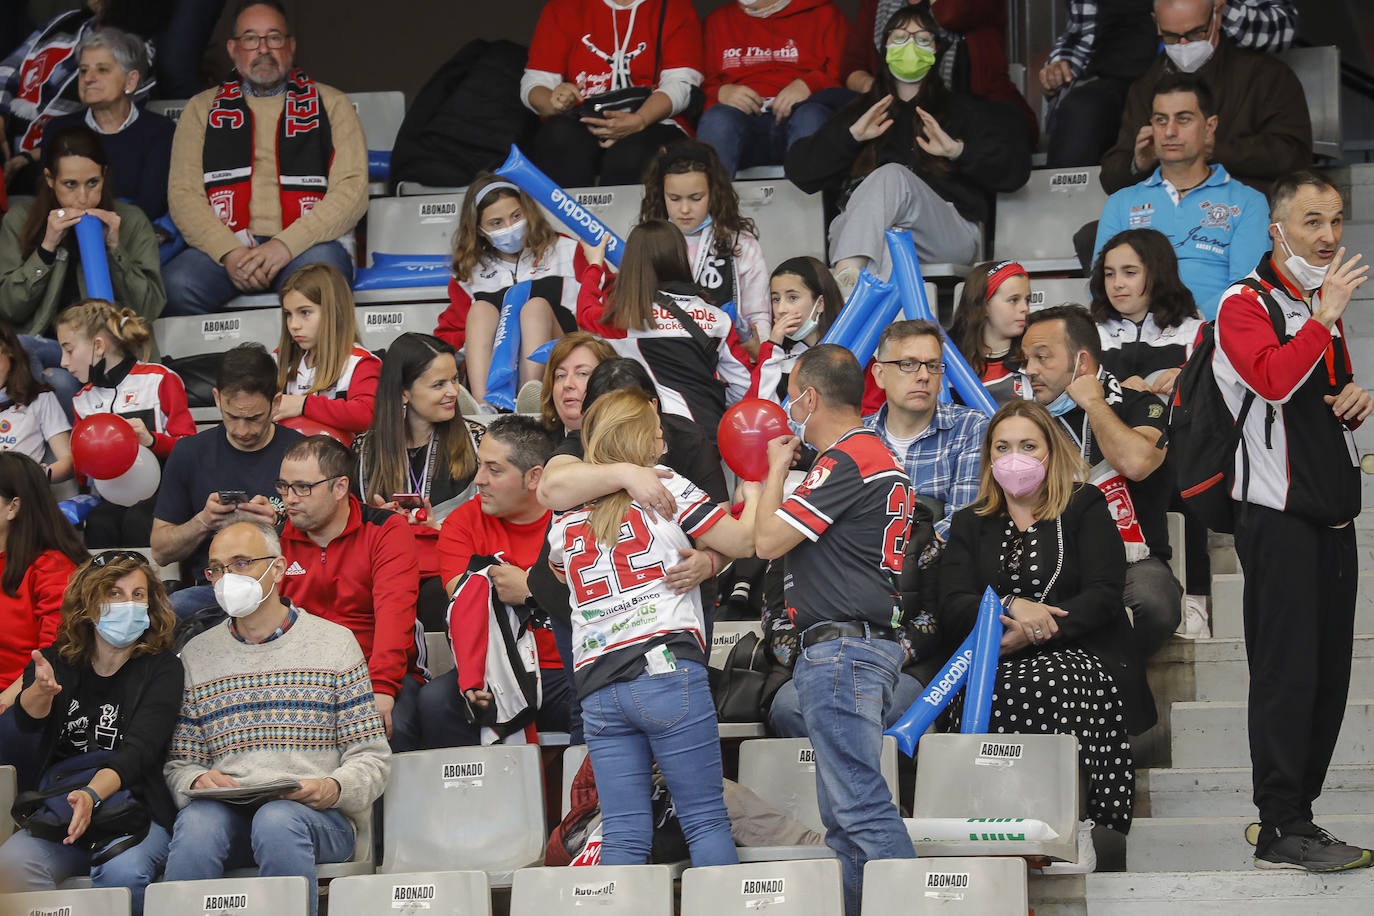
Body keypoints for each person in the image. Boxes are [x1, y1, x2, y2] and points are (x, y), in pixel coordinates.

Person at [1213, 172, 1373, 871]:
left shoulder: (1316, 308)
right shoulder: (1241, 303)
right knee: (1286, 675)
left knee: (1330, 678)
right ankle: (1279, 821)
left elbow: (1315, 394)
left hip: (1333, 517)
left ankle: (1298, 818)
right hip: (1276, 518)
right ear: (1277, 228)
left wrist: (1353, 397)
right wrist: (1322, 314)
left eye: (1336, 220)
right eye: (1312, 221)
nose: (1328, 236)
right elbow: (1272, 379)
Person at [548, 388, 761, 866]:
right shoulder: (667, 485)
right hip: (665, 669)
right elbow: (745, 542)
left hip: (598, 684)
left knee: (622, 832)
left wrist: (705, 560)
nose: (663, 444)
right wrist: (756, 492)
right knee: (704, 817)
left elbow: (560, 573)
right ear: (637, 439)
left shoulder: (563, 517)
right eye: (656, 434)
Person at [939, 400, 1153, 846]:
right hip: (994, 654)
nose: (1013, 456)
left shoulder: (1084, 504)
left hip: (1081, 650)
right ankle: (994, 829)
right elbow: (953, 602)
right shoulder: (969, 522)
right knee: (988, 692)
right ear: (989, 457)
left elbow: (1103, 594)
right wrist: (1014, 605)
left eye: (1027, 445)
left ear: (1050, 453)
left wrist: (1039, 629)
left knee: (1050, 682)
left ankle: (1071, 831)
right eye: (1002, 446)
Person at [752, 344, 917, 916]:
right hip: (859, 643)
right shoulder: (874, 453)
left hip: (843, 647)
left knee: (862, 809)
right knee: (843, 821)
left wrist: (775, 469)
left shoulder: (848, 456)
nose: (787, 406)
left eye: (791, 393)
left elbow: (767, 541)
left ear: (810, 396)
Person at [163, 521, 391, 916]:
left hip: (318, 818)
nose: (225, 579)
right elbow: (181, 762)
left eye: (240, 563)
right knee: (197, 825)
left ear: (280, 568)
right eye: (216, 568)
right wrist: (195, 779)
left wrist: (332, 787)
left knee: (276, 820)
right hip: (227, 816)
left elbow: (371, 756)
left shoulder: (335, 644)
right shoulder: (197, 655)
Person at [786, 4, 1030, 296]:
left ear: (936, 49)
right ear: (884, 47)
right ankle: (882, 334)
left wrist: (958, 151)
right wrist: (851, 137)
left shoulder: (962, 109)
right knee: (891, 243)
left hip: (945, 234)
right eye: (900, 37)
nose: (911, 45)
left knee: (891, 177)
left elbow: (1016, 172)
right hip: (873, 236)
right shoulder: (861, 112)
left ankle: (846, 288)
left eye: (922, 38)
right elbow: (800, 172)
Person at [0, 550, 181, 914]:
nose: (127, 603)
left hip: (136, 810)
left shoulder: (162, 667)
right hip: (61, 812)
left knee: (122, 873)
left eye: (137, 594)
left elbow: (142, 749)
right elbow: (13, 756)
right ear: (89, 602)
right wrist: (35, 702)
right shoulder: (55, 663)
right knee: (11, 866)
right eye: (113, 593)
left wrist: (92, 794)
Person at [161, 0, 366, 316]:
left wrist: (284, 246)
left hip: (305, 247)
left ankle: (310, 366)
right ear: (233, 48)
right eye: (250, 39)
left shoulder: (332, 104)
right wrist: (229, 253)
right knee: (176, 285)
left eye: (274, 37)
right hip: (228, 249)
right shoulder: (201, 109)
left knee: (324, 278)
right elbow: (183, 196)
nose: (263, 49)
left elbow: (351, 192)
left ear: (291, 46)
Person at [1021, 305, 1182, 660]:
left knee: (1157, 605)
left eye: (1042, 358)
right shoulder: (1026, 421)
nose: (1030, 370)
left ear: (1082, 363)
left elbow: (1136, 463)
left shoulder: (1139, 403)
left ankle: (1111, 674)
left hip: (1133, 562)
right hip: (1052, 560)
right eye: (1027, 358)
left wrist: (1094, 403)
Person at [421, 416, 569, 748]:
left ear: (534, 478)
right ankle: (469, 799)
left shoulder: (570, 516)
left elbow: (593, 602)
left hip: (563, 668)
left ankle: (586, 798)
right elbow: (467, 606)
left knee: (607, 699)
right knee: (435, 702)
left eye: (494, 470)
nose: (479, 480)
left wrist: (530, 590)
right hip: (494, 669)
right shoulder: (464, 522)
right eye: (479, 466)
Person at [1089, 228, 1208, 636]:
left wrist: (1183, 379)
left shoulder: (1195, 330)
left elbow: (1212, 395)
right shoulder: (1093, 330)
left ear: (1156, 274)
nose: (1117, 283)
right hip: (1107, 445)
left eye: (1129, 272)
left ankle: (1196, 598)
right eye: (1109, 273)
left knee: (1186, 467)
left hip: (1171, 444)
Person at [276, 435, 422, 749]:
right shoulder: (276, 539)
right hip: (301, 679)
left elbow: (394, 615)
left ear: (340, 487)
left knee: (400, 725)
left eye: (303, 487)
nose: (290, 498)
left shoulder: (385, 529)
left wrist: (381, 688)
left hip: (376, 671)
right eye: (284, 487)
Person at [1042, 0, 1298, 168]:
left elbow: (1283, 29)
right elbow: (1080, 36)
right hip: (1128, 84)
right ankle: (1064, 221)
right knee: (1080, 113)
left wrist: (1216, 11)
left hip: (1218, 77)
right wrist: (1061, 65)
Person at [1093, 75, 1269, 319]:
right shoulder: (1121, 203)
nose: (1169, 131)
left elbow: (1248, 289)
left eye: (1183, 119)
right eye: (1160, 120)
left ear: (1210, 126)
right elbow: (1101, 288)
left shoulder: (1249, 202)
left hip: (1216, 338)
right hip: (1136, 339)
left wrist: (1186, 324)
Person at [150, 343, 303, 619]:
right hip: (214, 590)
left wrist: (279, 524)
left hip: (288, 584)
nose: (243, 430)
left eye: (255, 418)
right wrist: (204, 521)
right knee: (169, 612)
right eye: (233, 417)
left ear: (276, 403)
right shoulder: (189, 453)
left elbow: (330, 539)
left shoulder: (301, 453)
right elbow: (160, 551)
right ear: (217, 399)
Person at [1099, 0, 1310, 195]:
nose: (1183, 44)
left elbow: (1293, 155)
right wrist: (1137, 163)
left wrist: (1213, 149)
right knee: (1090, 235)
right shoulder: (1146, 87)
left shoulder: (1266, 75)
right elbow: (1110, 177)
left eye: (1195, 34)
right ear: (1156, 23)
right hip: (1165, 210)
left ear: (1217, 16)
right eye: (1170, 36)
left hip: (1239, 205)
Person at [352, 333, 478, 633]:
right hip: (388, 572)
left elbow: (499, 526)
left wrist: (443, 531)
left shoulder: (477, 440)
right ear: (403, 392)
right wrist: (383, 524)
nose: (453, 392)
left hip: (454, 568)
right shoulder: (365, 450)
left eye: (454, 380)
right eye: (439, 384)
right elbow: (352, 533)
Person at [576, 221, 750, 434]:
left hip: (660, 440)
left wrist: (594, 265)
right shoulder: (717, 318)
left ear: (632, 263)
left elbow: (585, 316)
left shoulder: (632, 318)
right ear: (679, 256)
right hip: (713, 436)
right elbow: (743, 385)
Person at [0, 125, 166, 344]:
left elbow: (148, 309)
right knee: (56, 378)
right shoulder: (19, 220)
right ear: (50, 179)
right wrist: (46, 250)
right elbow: (9, 309)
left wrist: (115, 250)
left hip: (110, 350)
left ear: (104, 175)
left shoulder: (131, 221)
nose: (83, 198)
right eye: (70, 184)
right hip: (42, 348)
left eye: (92, 183)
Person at [434, 175, 585, 409]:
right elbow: (451, 336)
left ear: (528, 211)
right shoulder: (468, 273)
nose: (510, 227)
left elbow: (598, 309)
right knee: (481, 310)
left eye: (516, 216)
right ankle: (484, 406)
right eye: (496, 223)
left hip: (563, 361)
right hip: (496, 368)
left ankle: (531, 399)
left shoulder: (567, 250)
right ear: (480, 230)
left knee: (534, 308)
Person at [56, 298, 195, 547]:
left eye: (68, 350)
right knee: (99, 522)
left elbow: (191, 449)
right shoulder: (82, 400)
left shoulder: (159, 379)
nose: (63, 362)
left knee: (139, 519)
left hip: (164, 493)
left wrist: (152, 441)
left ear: (98, 346)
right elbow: (83, 477)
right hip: (110, 498)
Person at [521, 0, 704, 188]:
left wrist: (640, 119)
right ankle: (568, 218)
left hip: (653, 120)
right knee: (558, 136)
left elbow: (682, 83)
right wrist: (556, 101)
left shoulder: (674, 6)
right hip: (583, 118)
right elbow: (535, 82)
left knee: (632, 154)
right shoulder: (563, 6)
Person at [0, 1, 165, 193]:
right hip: (8, 137)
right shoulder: (66, 21)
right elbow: (9, 68)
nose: (89, 77)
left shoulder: (137, 51)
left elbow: (107, 128)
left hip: (56, 159)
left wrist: (30, 157)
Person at [842, 0, 1037, 143]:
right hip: (898, 115)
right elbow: (852, 65)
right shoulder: (877, 4)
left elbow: (950, 14)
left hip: (976, 114)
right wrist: (876, 89)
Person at [637, 142, 770, 350]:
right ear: (661, 195)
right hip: (665, 357)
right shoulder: (647, 243)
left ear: (714, 193)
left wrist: (759, 353)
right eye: (674, 198)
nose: (684, 209)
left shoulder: (740, 243)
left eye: (696, 198)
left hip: (729, 357)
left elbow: (758, 314)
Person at [866, 319, 989, 539]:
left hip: (939, 568)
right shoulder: (856, 436)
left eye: (933, 366)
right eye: (908, 364)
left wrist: (906, 556)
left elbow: (963, 523)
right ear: (879, 374)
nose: (923, 376)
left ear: (941, 377)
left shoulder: (971, 427)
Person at [696, 0, 848, 178]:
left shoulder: (825, 14)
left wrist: (809, 84)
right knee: (717, 119)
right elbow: (699, 86)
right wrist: (722, 91)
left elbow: (848, 75)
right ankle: (713, 205)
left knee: (811, 116)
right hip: (743, 122)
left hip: (801, 116)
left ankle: (807, 204)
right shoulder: (717, 21)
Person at [40, 26, 177, 222]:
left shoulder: (160, 132)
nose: (88, 78)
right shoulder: (58, 130)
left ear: (130, 81)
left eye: (102, 69)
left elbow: (151, 206)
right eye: (83, 70)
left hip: (135, 240)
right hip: (69, 236)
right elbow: (49, 201)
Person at [0, 453, 86, 714]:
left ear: (13, 507)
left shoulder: (51, 567)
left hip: (27, 704)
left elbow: (53, 656)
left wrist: (4, 703)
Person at [272, 263, 380, 436]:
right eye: (288, 314)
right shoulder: (278, 359)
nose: (293, 325)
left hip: (343, 460)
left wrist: (304, 405)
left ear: (334, 312)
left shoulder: (359, 362)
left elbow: (369, 415)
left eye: (305, 312)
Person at [748, 256, 843, 403]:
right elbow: (757, 410)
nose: (781, 309)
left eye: (792, 298)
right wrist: (773, 346)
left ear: (820, 303)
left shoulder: (850, 344)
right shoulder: (774, 358)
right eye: (776, 299)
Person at [947, 259, 1033, 404]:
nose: (1025, 308)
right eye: (1013, 300)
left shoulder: (1034, 355)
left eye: (1027, 300)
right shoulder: (950, 358)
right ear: (983, 306)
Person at [0, 319, 73, 483]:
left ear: (9, 351)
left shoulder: (40, 398)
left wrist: (36, 477)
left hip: (22, 494)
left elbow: (68, 461)